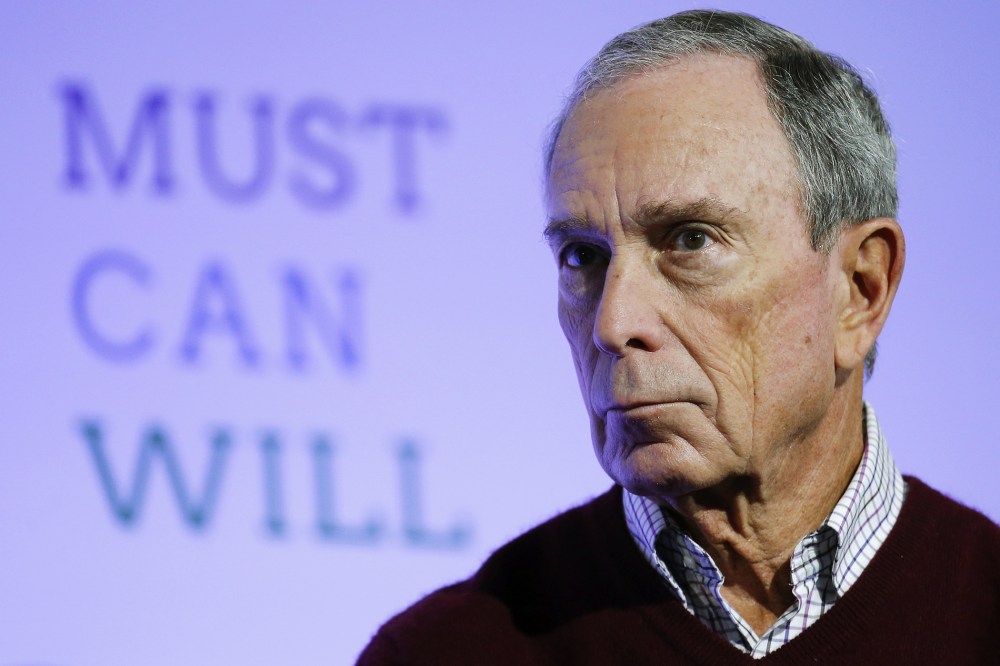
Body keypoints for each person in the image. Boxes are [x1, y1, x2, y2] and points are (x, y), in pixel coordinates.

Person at [358, 10, 1000, 664]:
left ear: (860, 289)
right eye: (583, 257)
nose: (613, 324)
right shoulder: (451, 650)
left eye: (691, 241)